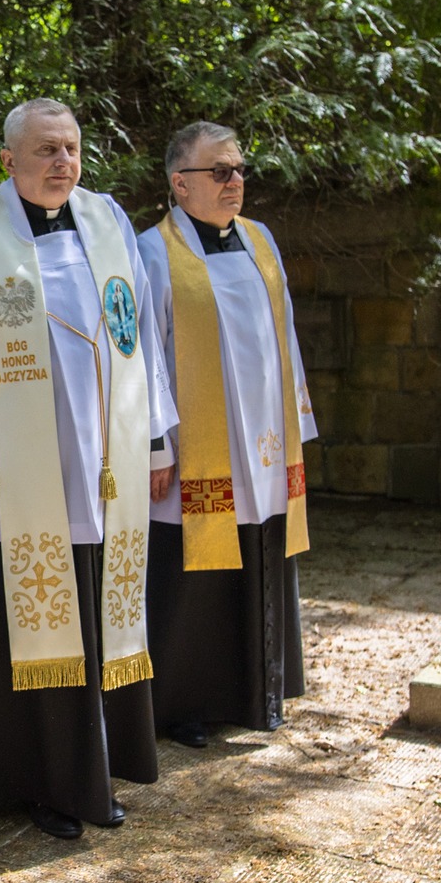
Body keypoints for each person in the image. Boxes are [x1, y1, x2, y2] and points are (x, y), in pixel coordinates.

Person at [0, 98, 176, 840]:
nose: (62, 162)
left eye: (71, 148)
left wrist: (152, 440)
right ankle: (44, 779)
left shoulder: (108, 223)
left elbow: (141, 336)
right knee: (38, 622)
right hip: (21, 479)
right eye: (46, 150)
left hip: (108, 467)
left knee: (104, 611)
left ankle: (102, 757)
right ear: (8, 161)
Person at [139, 120, 315, 744]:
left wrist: (299, 420)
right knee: (194, 578)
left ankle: (258, 688)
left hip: (264, 442)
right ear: (179, 185)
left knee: (261, 554)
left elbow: (285, 334)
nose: (234, 181)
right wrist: (155, 444)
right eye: (219, 171)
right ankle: (183, 704)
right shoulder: (151, 253)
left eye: (239, 169)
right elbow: (143, 361)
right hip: (197, 446)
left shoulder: (261, 241)